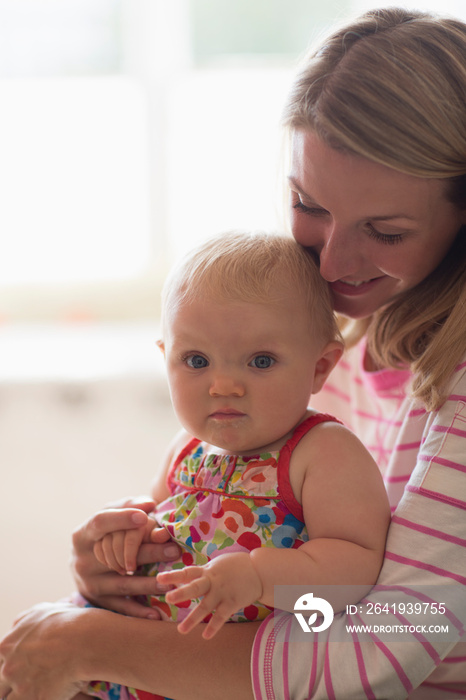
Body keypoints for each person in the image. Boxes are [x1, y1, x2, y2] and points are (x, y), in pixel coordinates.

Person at [1, 6, 466, 699]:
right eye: (309, 204)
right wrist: (122, 573)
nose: (331, 261)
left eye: (387, 231)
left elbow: (383, 639)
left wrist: (94, 643)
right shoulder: (329, 339)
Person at [76, 230, 390, 699]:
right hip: (148, 665)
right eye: (196, 360)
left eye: (260, 361)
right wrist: (129, 536)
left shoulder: (322, 452)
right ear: (167, 359)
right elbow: (160, 525)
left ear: (320, 367)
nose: (223, 385)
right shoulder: (187, 448)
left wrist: (261, 575)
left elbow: (358, 566)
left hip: (228, 677)